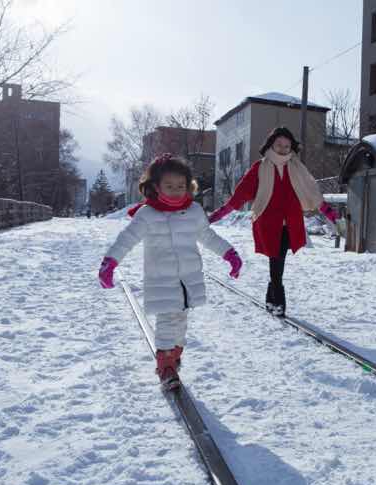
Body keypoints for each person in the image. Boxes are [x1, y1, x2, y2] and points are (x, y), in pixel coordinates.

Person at [98, 153, 243, 390]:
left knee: (181, 321)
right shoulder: (147, 214)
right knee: (167, 320)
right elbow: (127, 239)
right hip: (161, 280)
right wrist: (110, 262)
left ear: (188, 186)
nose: (176, 191)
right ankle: (165, 365)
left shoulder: (193, 211)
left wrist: (230, 254)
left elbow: (208, 237)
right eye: (169, 186)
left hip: (188, 279)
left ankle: (174, 354)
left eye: (180, 186)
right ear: (156, 187)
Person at [208, 127, 339, 317]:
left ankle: (272, 299)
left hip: (290, 224)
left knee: (277, 260)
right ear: (271, 144)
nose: (283, 149)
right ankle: (277, 301)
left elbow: (313, 192)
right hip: (268, 224)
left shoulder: (297, 168)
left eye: (287, 146)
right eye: (279, 145)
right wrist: (217, 215)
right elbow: (239, 196)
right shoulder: (259, 168)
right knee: (276, 260)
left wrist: (330, 213)